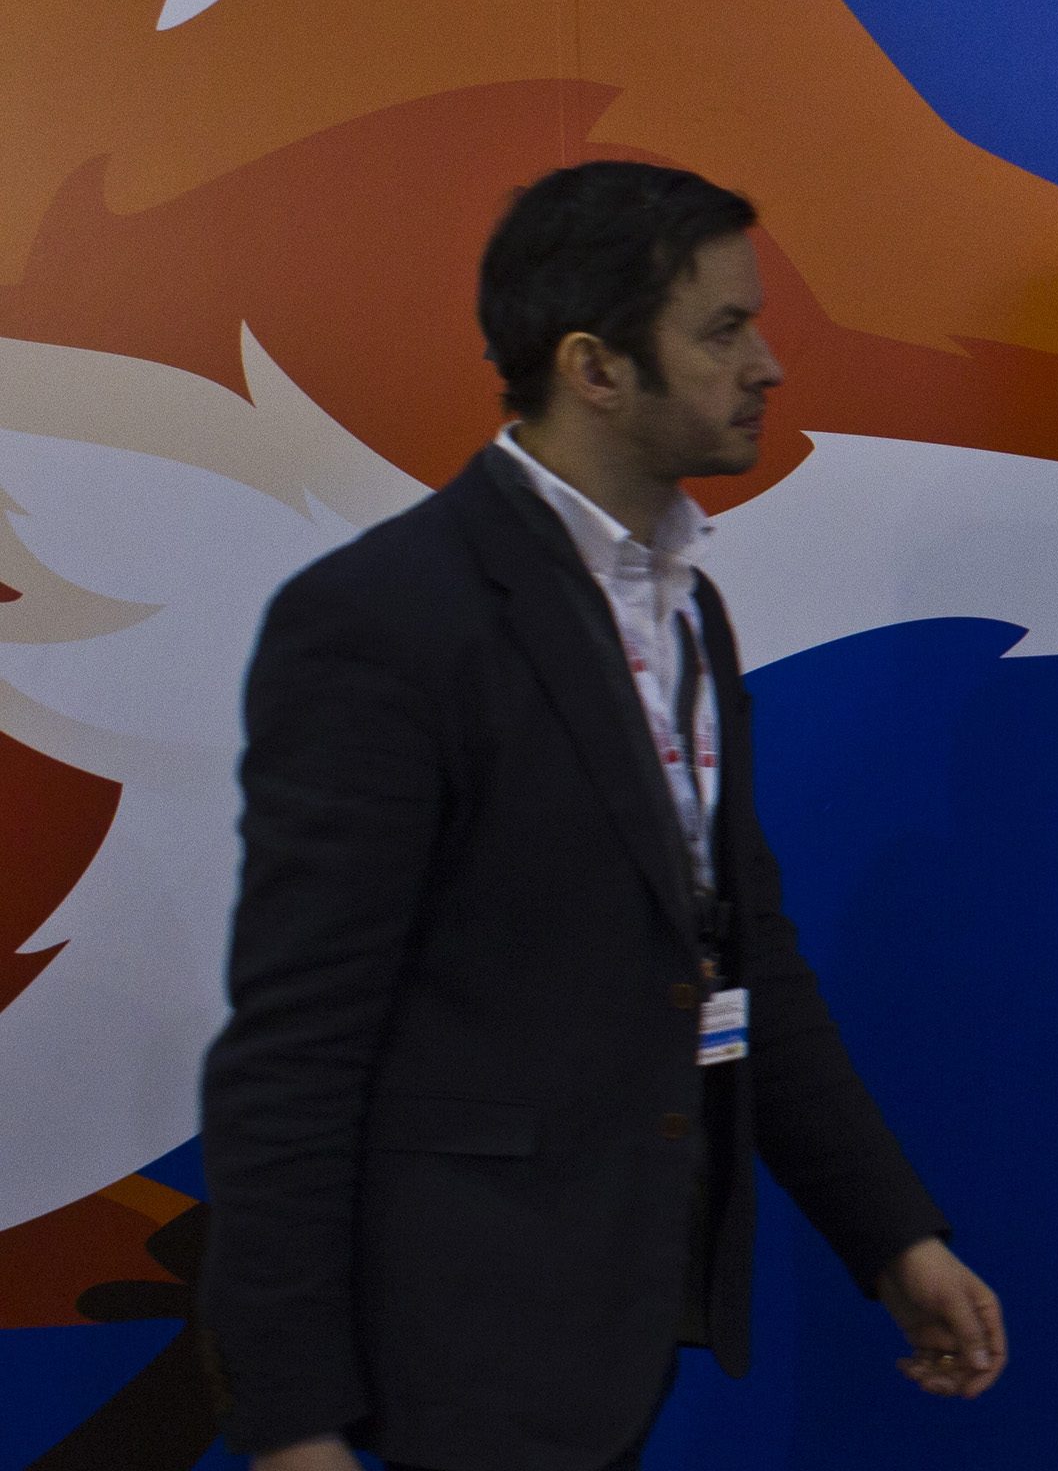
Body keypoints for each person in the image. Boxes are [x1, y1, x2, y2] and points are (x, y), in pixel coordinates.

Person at [200, 163, 1007, 1471]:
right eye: (725, 330)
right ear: (595, 367)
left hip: (616, 1334)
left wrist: (892, 1238)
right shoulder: (385, 620)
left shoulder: (687, 607)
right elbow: (293, 1050)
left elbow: (743, 953)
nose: (772, 366)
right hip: (444, 1360)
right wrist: (294, 1425)